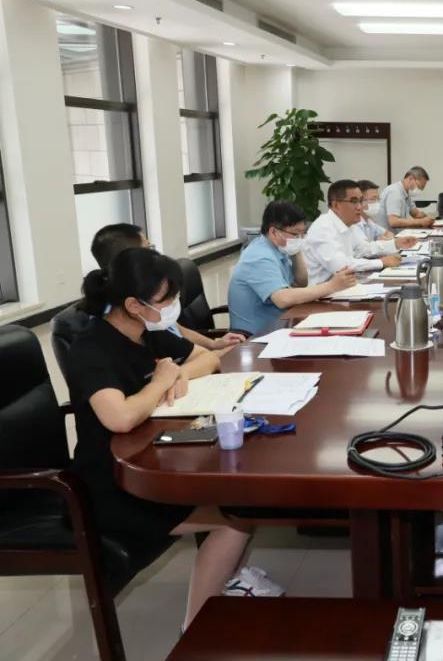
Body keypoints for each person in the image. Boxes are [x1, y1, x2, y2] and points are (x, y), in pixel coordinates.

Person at [67, 248, 284, 632]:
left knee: (237, 496)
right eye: (166, 300)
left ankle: (227, 580)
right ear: (133, 304)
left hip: (153, 453)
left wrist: (177, 375)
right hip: (112, 482)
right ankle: (195, 631)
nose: (173, 308)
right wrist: (161, 382)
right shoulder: (92, 347)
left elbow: (208, 358)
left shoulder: (146, 332)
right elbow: (119, 417)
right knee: (235, 519)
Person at [90, 224, 244, 353]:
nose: (155, 254)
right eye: (148, 248)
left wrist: (214, 345)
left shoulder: (151, 311)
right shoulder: (130, 319)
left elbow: (178, 330)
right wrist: (213, 356)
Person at [228, 201, 358, 336]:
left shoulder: (278, 248)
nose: (300, 239)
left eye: (302, 234)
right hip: (256, 335)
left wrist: (296, 249)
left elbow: (301, 281)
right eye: (296, 234)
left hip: (280, 324)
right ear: (273, 232)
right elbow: (283, 299)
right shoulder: (259, 257)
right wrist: (331, 286)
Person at [304, 180, 417, 284]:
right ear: (335, 205)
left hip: (345, 286)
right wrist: (381, 262)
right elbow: (341, 266)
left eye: (361, 201)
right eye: (354, 201)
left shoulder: (347, 224)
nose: (360, 207)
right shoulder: (323, 228)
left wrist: (395, 244)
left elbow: (363, 249)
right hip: (323, 294)